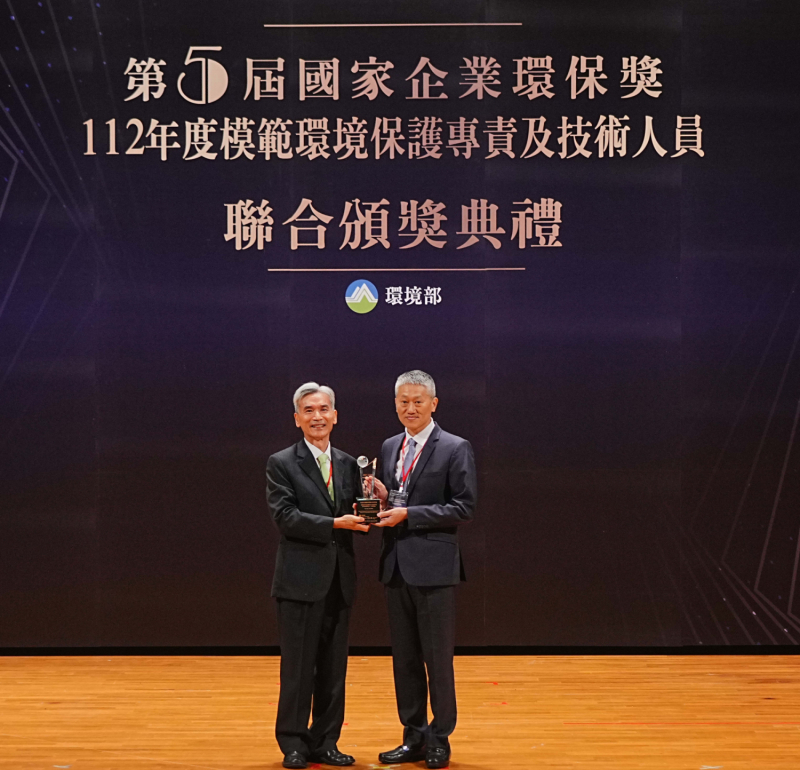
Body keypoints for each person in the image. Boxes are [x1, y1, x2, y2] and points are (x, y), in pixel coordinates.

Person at [372, 370, 477, 769]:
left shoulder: (454, 447)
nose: (410, 408)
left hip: (434, 568)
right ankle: (413, 737)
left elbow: (464, 506)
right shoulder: (390, 446)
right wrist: (383, 499)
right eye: (403, 401)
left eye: (418, 401)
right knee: (405, 660)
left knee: (437, 659)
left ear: (434, 403)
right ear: (395, 404)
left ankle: (439, 738)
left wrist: (409, 514)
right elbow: (396, 497)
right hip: (396, 566)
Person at [266, 382, 369, 769]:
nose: (317, 416)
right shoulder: (281, 462)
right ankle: (293, 743)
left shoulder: (349, 463)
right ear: (297, 419)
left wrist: (374, 500)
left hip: (339, 580)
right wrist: (335, 523)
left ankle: (326, 742)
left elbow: (359, 513)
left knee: (333, 670)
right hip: (299, 581)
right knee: (298, 668)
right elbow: (285, 517)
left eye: (324, 409)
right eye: (308, 410)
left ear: (335, 416)